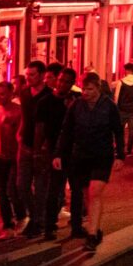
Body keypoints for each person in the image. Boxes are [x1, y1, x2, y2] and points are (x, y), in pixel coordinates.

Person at [53, 73, 124, 251]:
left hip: (101, 156)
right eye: (84, 89)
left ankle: (91, 235)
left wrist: (120, 155)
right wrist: (58, 154)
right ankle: (96, 227)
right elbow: (66, 131)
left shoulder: (109, 107)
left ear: (98, 89)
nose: (85, 92)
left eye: (90, 89)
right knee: (87, 194)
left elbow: (118, 131)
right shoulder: (76, 106)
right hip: (81, 156)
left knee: (95, 192)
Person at [37, 68, 77, 240]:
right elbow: (39, 129)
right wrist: (37, 151)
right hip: (55, 152)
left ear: (72, 84)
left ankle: (76, 225)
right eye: (60, 80)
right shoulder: (45, 102)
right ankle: (49, 226)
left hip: (75, 151)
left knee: (77, 189)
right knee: (53, 189)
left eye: (67, 81)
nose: (62, 84)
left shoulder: (76, 101)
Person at [17, 60, 52, 238]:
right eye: (27, 75)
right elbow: (25, 117)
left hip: (42, 149)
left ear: (42, 75)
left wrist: (45, 147)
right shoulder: (24, 93)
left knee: (40, 187)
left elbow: (49, 125)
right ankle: (35, 216)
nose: (28, 78)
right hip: (25, 145)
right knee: (21, 185)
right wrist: (20, 133)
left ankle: (37, 221)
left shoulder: (48, 96)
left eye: (32, 75)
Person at [0, 81, 25, 237]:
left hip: (15, 157)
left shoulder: (19, 111)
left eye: (2, 94)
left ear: (11, 94)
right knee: (1, 191)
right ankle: (7, 223)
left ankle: (21, 216)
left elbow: (21, 135)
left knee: (12, 189)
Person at [112, 63, 133, 156]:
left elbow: (116, 96)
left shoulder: (121, 82)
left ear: (127, 71)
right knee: (132, 131)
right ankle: (129, 150)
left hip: (122, 109)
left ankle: (119, 149)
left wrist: (115, 108)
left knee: (119, 130)